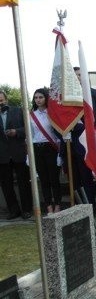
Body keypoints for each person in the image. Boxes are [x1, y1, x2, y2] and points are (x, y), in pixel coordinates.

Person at [0, 91, 32, 220]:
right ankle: (13, 210)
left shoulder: (18, 111)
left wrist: (16, 132)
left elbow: (28, 128)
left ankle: (27, 210)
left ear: (6, 100)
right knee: (6, 185)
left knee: (24, 183)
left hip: (18, 153)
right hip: (2, 155)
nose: (0, 102)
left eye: (1, 100)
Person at [30, 88, 62, 215]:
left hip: (51, 147)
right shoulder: (31, 115)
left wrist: (60, 152)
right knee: (43, 179)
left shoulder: (52, 112)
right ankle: (48, 205)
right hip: (37, 148)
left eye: (41, 97)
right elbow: (30, 135)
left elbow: (58, 133)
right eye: (36, 97)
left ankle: (58, 205)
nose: (38, 100)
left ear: (46, 98)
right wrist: (29, 154)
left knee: (54, 178)